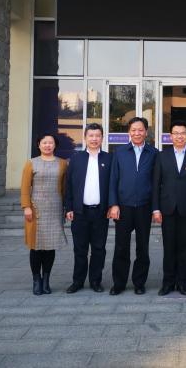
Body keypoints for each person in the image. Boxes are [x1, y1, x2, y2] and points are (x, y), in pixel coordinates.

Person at [152, 120, 186, 296]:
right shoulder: (161, 156)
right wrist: (156, 209)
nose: (179, 136)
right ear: (170, 136)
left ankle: (183, 283)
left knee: (185, 248)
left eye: (182, 133)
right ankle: (168, 283)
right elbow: (156, 184)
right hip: (167, 209)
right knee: (168, 247)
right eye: (176, 133)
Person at [108, 117, 158, 296]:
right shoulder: (120, 152)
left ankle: (139, 282)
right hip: (124, 206)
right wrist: (113, 204)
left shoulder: (154, 153)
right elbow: (113, 179)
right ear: (129, 132)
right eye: (133, 130)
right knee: (121, 246)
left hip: (144, 206)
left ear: (146, 132)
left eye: (140, 130)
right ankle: (119, 283)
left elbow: (156, 181)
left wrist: (155, 207)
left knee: (142, 247)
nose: (137, 133)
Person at [64, 123, 112, 294]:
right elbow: (68, 185)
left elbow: (112, 185)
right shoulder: (76, 159)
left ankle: (95, 281)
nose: (94, 139)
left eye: (97, 135)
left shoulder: (109, 159)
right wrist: (68, 207)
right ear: (85, 137)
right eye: (91, 135)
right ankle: (77, 281)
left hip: (100, 212)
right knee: (80, 249)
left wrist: (112, 206)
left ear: (102, 138)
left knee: (99, 249)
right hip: (80, 212)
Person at [20, 133, 67, 295]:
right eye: (44, 142)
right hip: (36, 209)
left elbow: (64, 188)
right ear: (39, 145)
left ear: (55, 145)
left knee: (50, 247)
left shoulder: (62, 163)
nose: (47, 145)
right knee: (36, 247)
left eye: (50, 143)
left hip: (55, 208)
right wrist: (26, 207)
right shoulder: (31, 163)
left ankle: (46, 279)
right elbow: (25, 187)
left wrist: (66, 207)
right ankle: (36, 279)